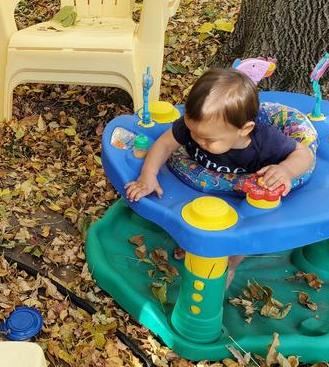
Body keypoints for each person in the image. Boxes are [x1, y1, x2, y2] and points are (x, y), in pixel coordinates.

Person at [125, 68, 314, 283]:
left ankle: (230, 265)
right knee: (190, 217)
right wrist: (148, 175)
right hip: (199, 187)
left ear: (243, 130)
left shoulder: (265, 141)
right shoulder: (199, 126)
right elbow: (165, 143)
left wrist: (286, 170)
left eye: (207, 139)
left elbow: (303, 154)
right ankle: (195, 245)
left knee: (243, 233)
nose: (196, 139)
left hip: (242, 200)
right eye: (192, 131)